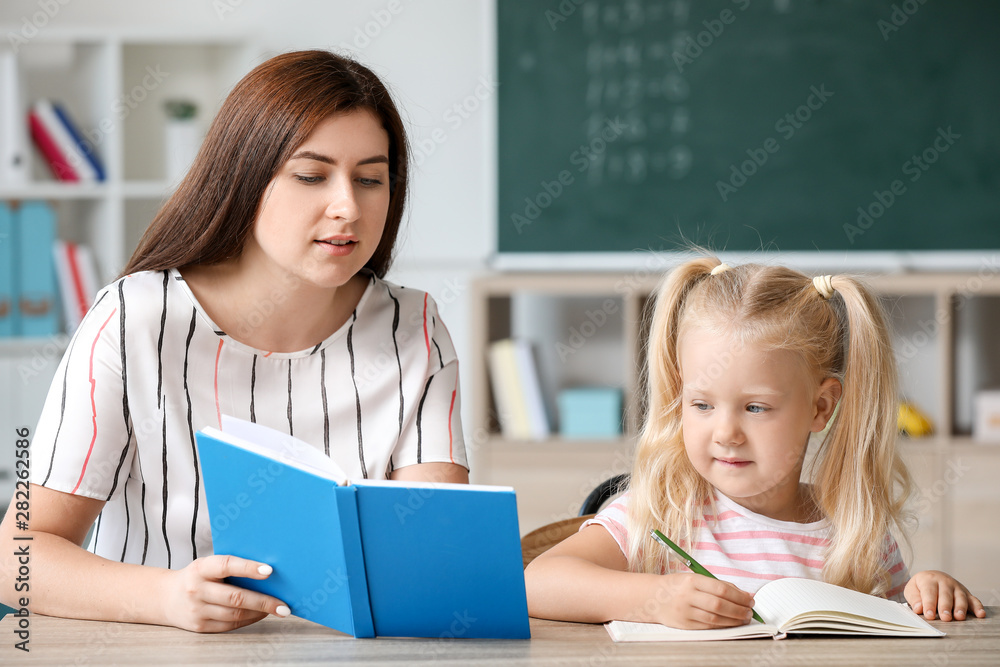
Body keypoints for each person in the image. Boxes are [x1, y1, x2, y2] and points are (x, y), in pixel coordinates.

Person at [0, 50, 469, 633]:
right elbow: (18, 554)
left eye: (371, 178)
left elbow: (433, 556)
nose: (348, 206)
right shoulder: (135, 318)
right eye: (311, 175)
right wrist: (167, 598)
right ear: (245, 179)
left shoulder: (414, 326)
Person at [525, 257, 985, 629]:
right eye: (701, 405)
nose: (725, 432)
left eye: (756, 408)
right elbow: (537, 583)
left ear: (821, 408)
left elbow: (891, 627)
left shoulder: (858, 534)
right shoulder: (656, 512)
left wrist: (926, 592)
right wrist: (653, 598)